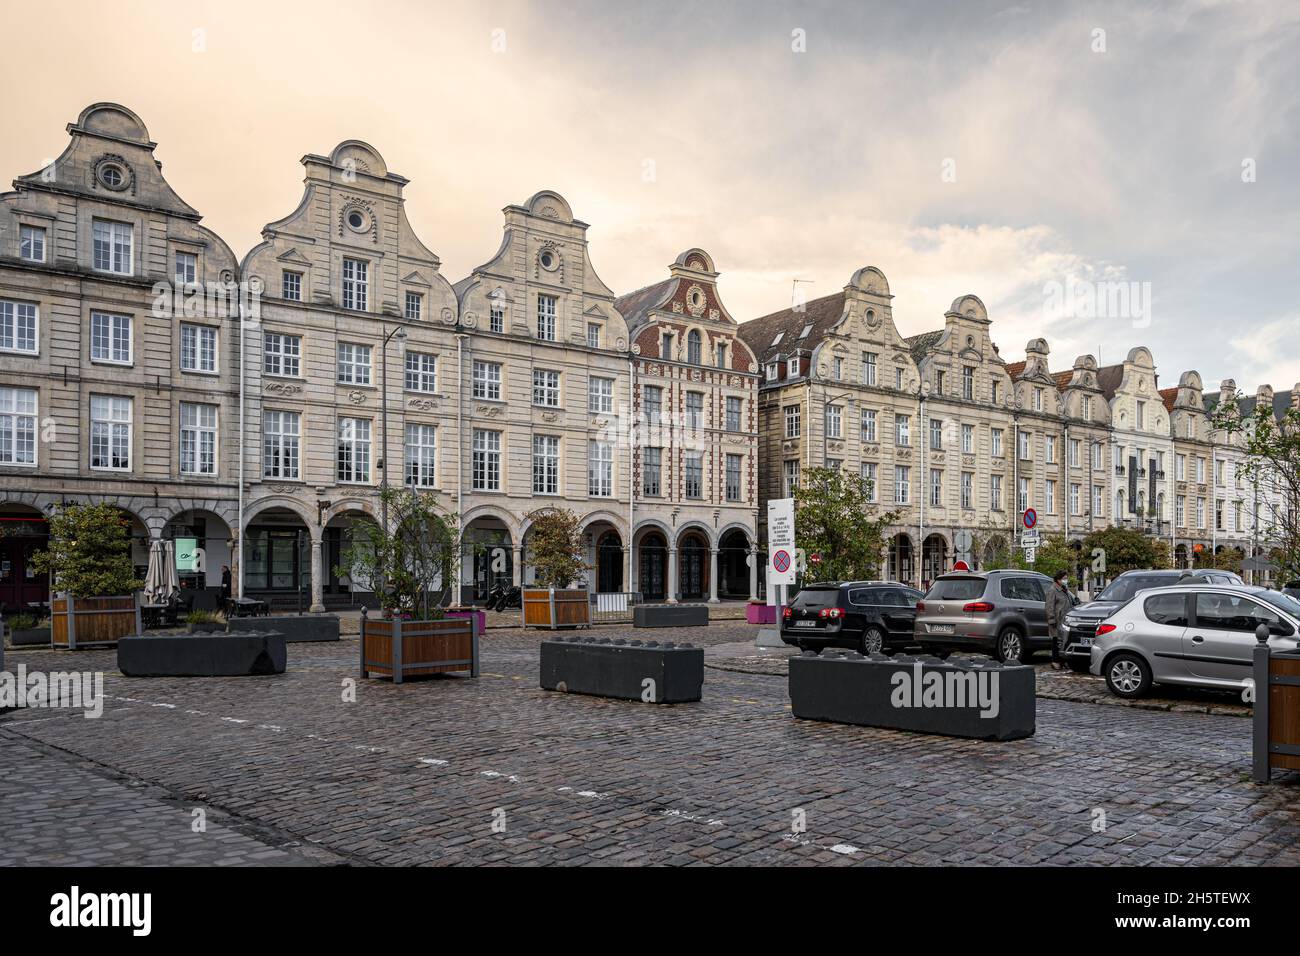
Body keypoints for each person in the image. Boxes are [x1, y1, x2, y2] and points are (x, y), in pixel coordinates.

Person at [1045, 568, 1071, 669]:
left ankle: (1063, 660)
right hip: (1056, 620)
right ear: (1058, 579)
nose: (1066, 580)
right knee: (1055, 641)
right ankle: (1055, 660)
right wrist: (1051, 619)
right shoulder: (1053, 590)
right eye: (1064, 578)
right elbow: (1049, 606)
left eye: (1066, 578)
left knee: (1064, 641)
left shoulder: (1065, 589)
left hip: (1065, 621)